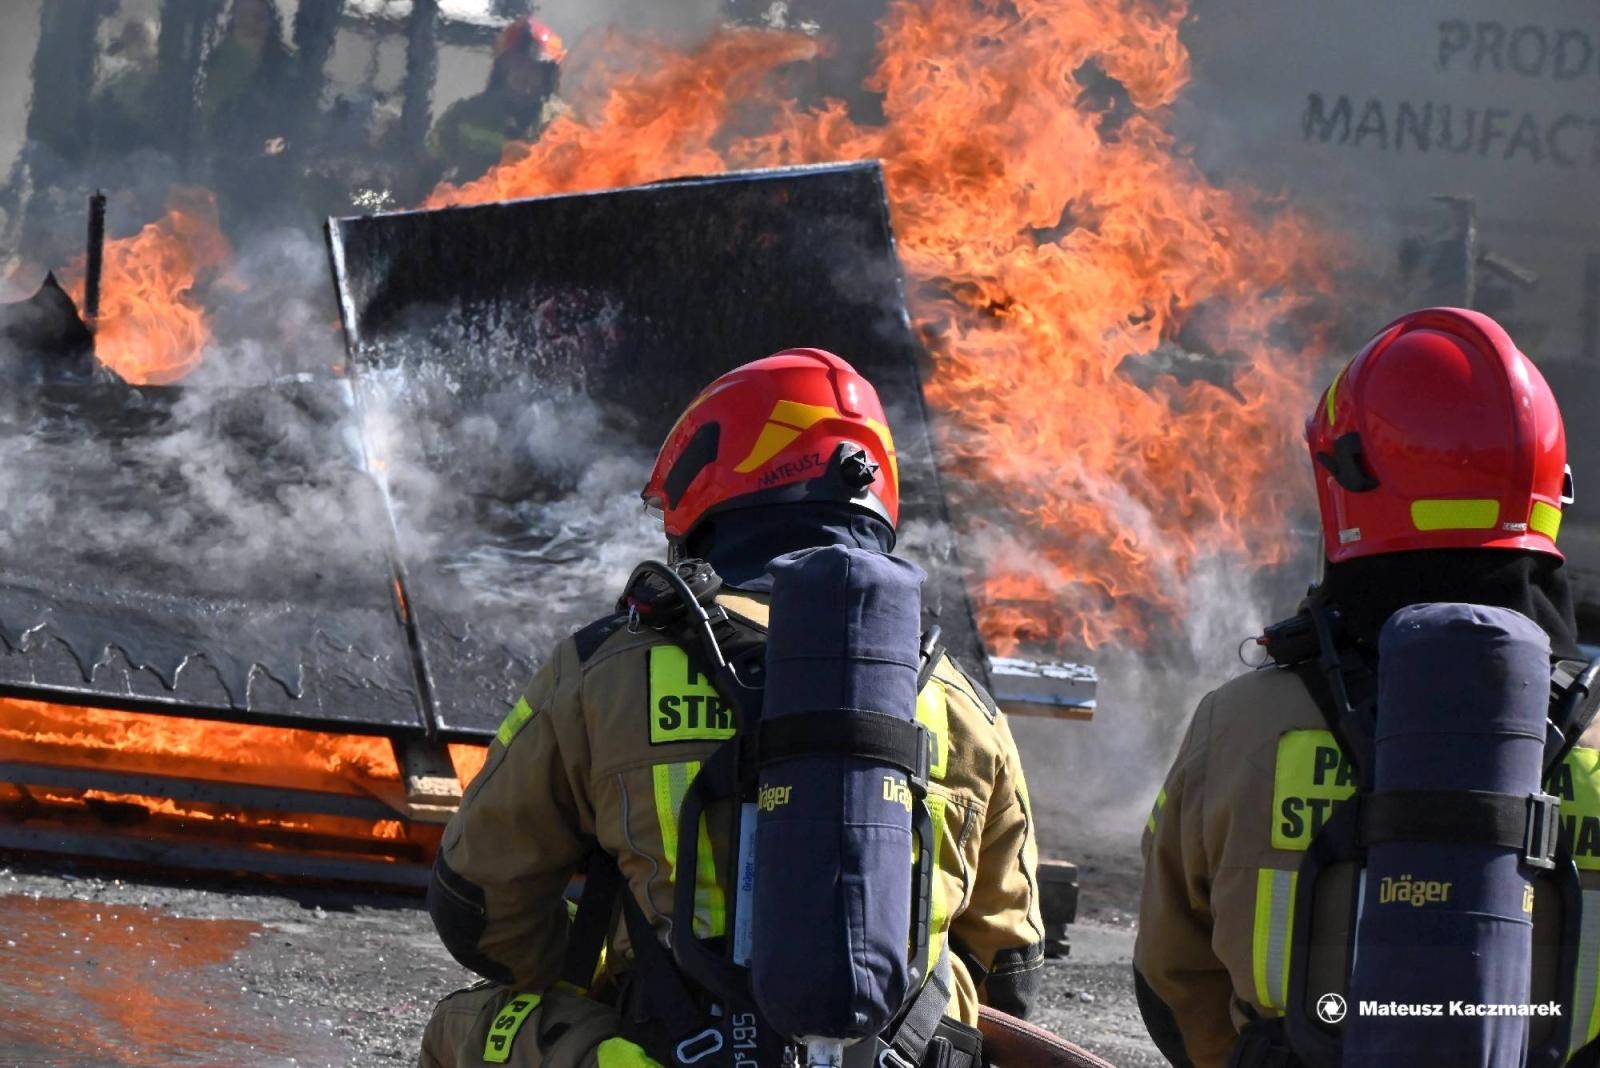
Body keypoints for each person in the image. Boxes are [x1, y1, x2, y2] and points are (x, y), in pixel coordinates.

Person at [420, 348, 1045, 1068]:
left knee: (465, 1025)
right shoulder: (966, 705)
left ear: (715, 480)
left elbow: (479, 909)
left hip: (669, 1055)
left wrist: (615, 964)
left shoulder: (607, 665)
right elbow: (1011, 975)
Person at [1133, 307, 1600, 1067]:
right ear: (1549, 491)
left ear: (1348, 482)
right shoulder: (1594, 741)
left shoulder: (1241, 722)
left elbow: (1170, 973)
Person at [427, 16, 567, 187]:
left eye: (533, 67)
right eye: (517, 63)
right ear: (503, 67)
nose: (524, 74)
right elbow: (428, 168)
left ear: (547, 75)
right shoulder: (467, 114)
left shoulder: (562, 124)